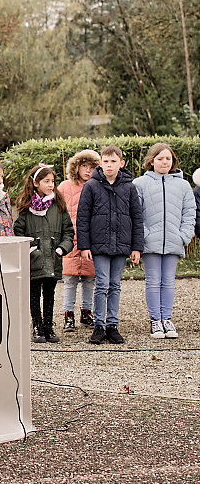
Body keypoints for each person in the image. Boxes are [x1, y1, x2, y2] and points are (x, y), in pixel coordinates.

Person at [75, 145, 143, 346]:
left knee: (115, 285)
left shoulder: (129, 187)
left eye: (113, 161)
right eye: (106, 161)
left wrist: (136, 247)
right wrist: (84, 246)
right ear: (101, 163)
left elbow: (137, 218)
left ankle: (112, 324)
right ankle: (99, 325)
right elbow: (83, 217)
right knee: (102, 284)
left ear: (121, 163)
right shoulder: (91, 186)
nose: (109, 165)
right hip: (99, 245)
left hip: (121, 244)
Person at [133, 143, 195, 338]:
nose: (164, 162)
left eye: (168, 158)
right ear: (151, 161)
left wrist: (184, 236)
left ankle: (167, 319)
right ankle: (155, 321)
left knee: (168, 281)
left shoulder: (183, 185)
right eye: (160, 158)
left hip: (174, 241)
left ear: (173, 161)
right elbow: (135, 213)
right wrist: (144, 235)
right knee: (153, 281)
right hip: (150, 242)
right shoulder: (140, 184)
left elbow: (189, 212)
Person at [13, 163, 74, 343]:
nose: (51, 185)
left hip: (53, 257)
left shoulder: (58, 204)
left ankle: (48, 326)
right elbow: (18, 232)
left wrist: (61, 249)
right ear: (36, 183)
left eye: (52, 181)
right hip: (33, 258)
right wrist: (29, 250)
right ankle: (37, 326)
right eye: (46, 181)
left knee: (49, 293)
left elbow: (68, 231)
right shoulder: (25, 206)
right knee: (34, 294)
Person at [57, 149, 100, 332]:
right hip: (69, 240)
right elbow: (56, 210)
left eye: (92, 167)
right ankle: (68, 315)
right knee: (69, 279)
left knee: (90, 279)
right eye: (84, 166)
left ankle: (86, 312)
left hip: (91, 241)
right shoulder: (65, 187)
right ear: (76, 167)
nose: (88, 170)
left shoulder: (98, 187)